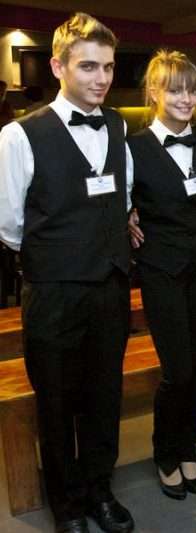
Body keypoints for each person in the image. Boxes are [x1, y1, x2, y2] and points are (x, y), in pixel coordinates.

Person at [0, 13, 134, 533]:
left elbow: (121, 193)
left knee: (105, 398)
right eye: (88, 67)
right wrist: (62, 253)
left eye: (108, 67)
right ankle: (68, 506)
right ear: (58, 67)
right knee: (56, 404)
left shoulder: (118, 124)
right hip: (54, 292)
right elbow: (10, 224)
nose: (101, 78)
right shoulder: (19, 135)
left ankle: (101, 491)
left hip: (111, 287)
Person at [127, 50, 196, 500]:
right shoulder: (132, 149)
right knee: (177, 369)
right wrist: (125, 214)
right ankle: (165, 451)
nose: (185, 98)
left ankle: (188, 446)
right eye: (175, 89)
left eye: (192, 90)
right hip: (161, 270)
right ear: (154, 92)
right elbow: (117, 199)